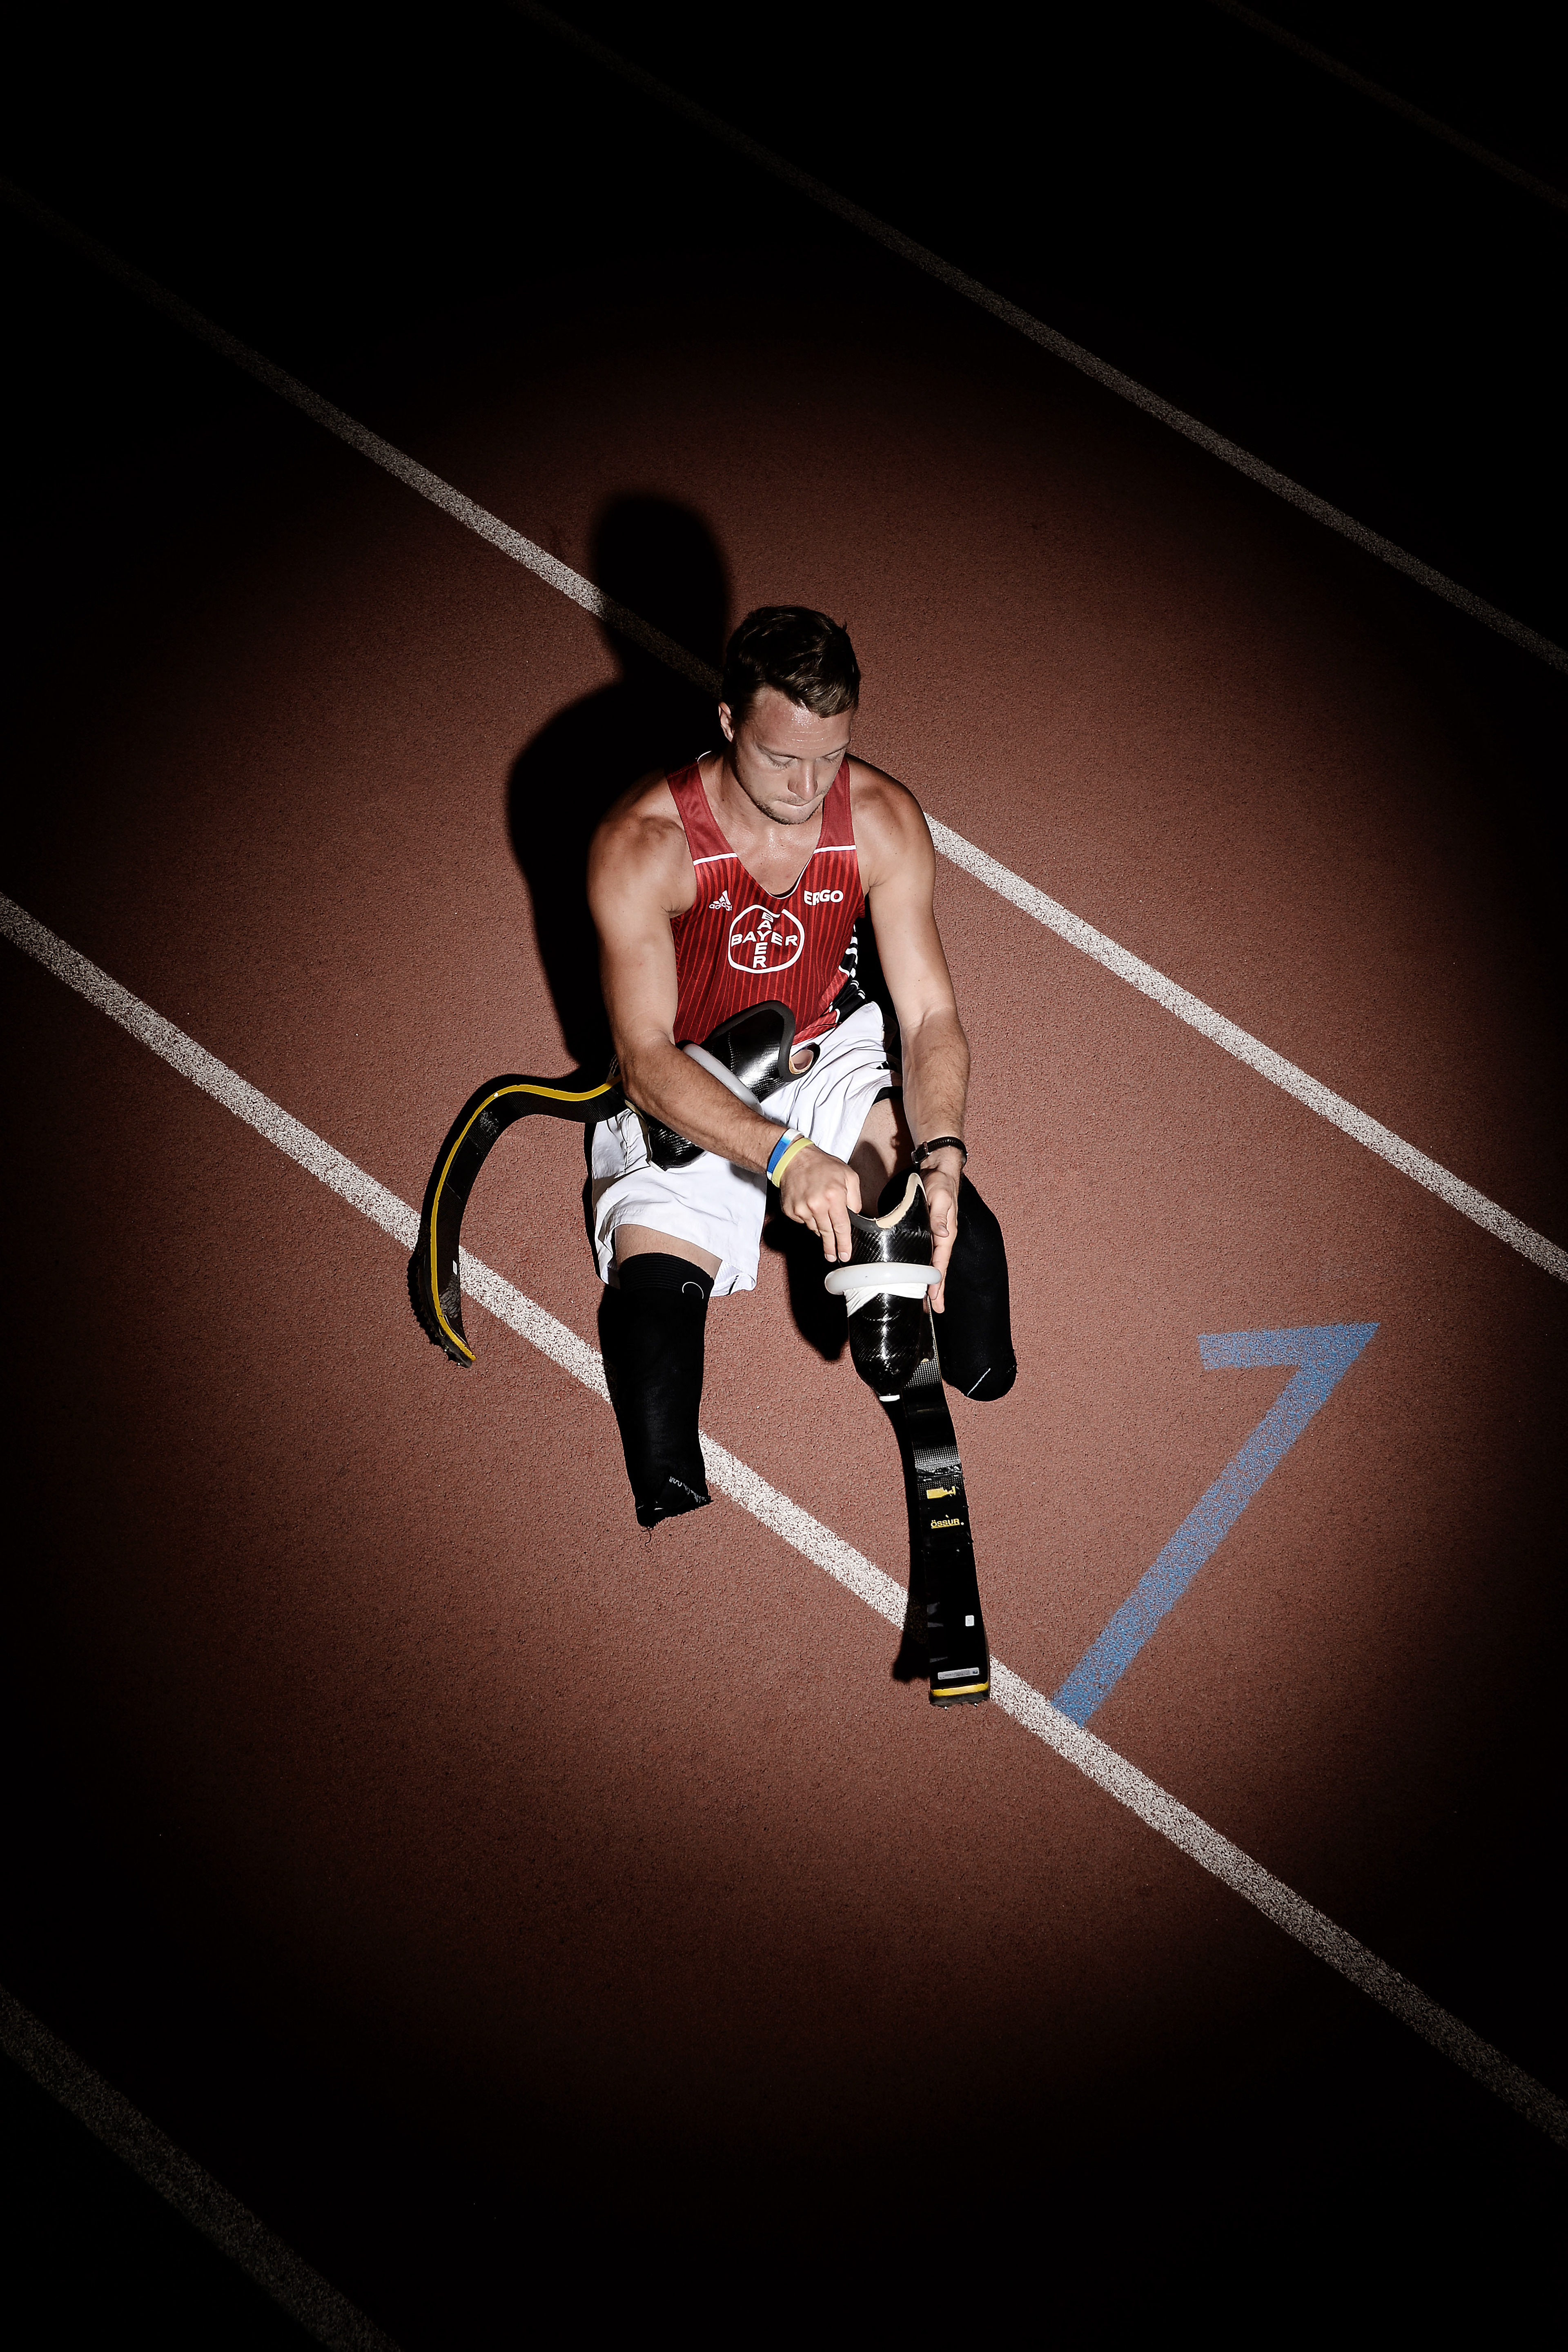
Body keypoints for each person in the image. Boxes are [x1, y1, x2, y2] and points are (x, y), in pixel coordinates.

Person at [586, 606, 1013, 1526]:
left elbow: (931, 1011)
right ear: (730, 722)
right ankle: (674, 1494)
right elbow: (643, 1057)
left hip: (827, 1051)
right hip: (697, 1082)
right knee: (654, 1314)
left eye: (830, 756)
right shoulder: (644, 845)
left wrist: (944, 1148)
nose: (808, 784)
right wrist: (781, 1158)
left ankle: (977, 1361)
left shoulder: (881, 820)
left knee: (952, 1224)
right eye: (783, 758)